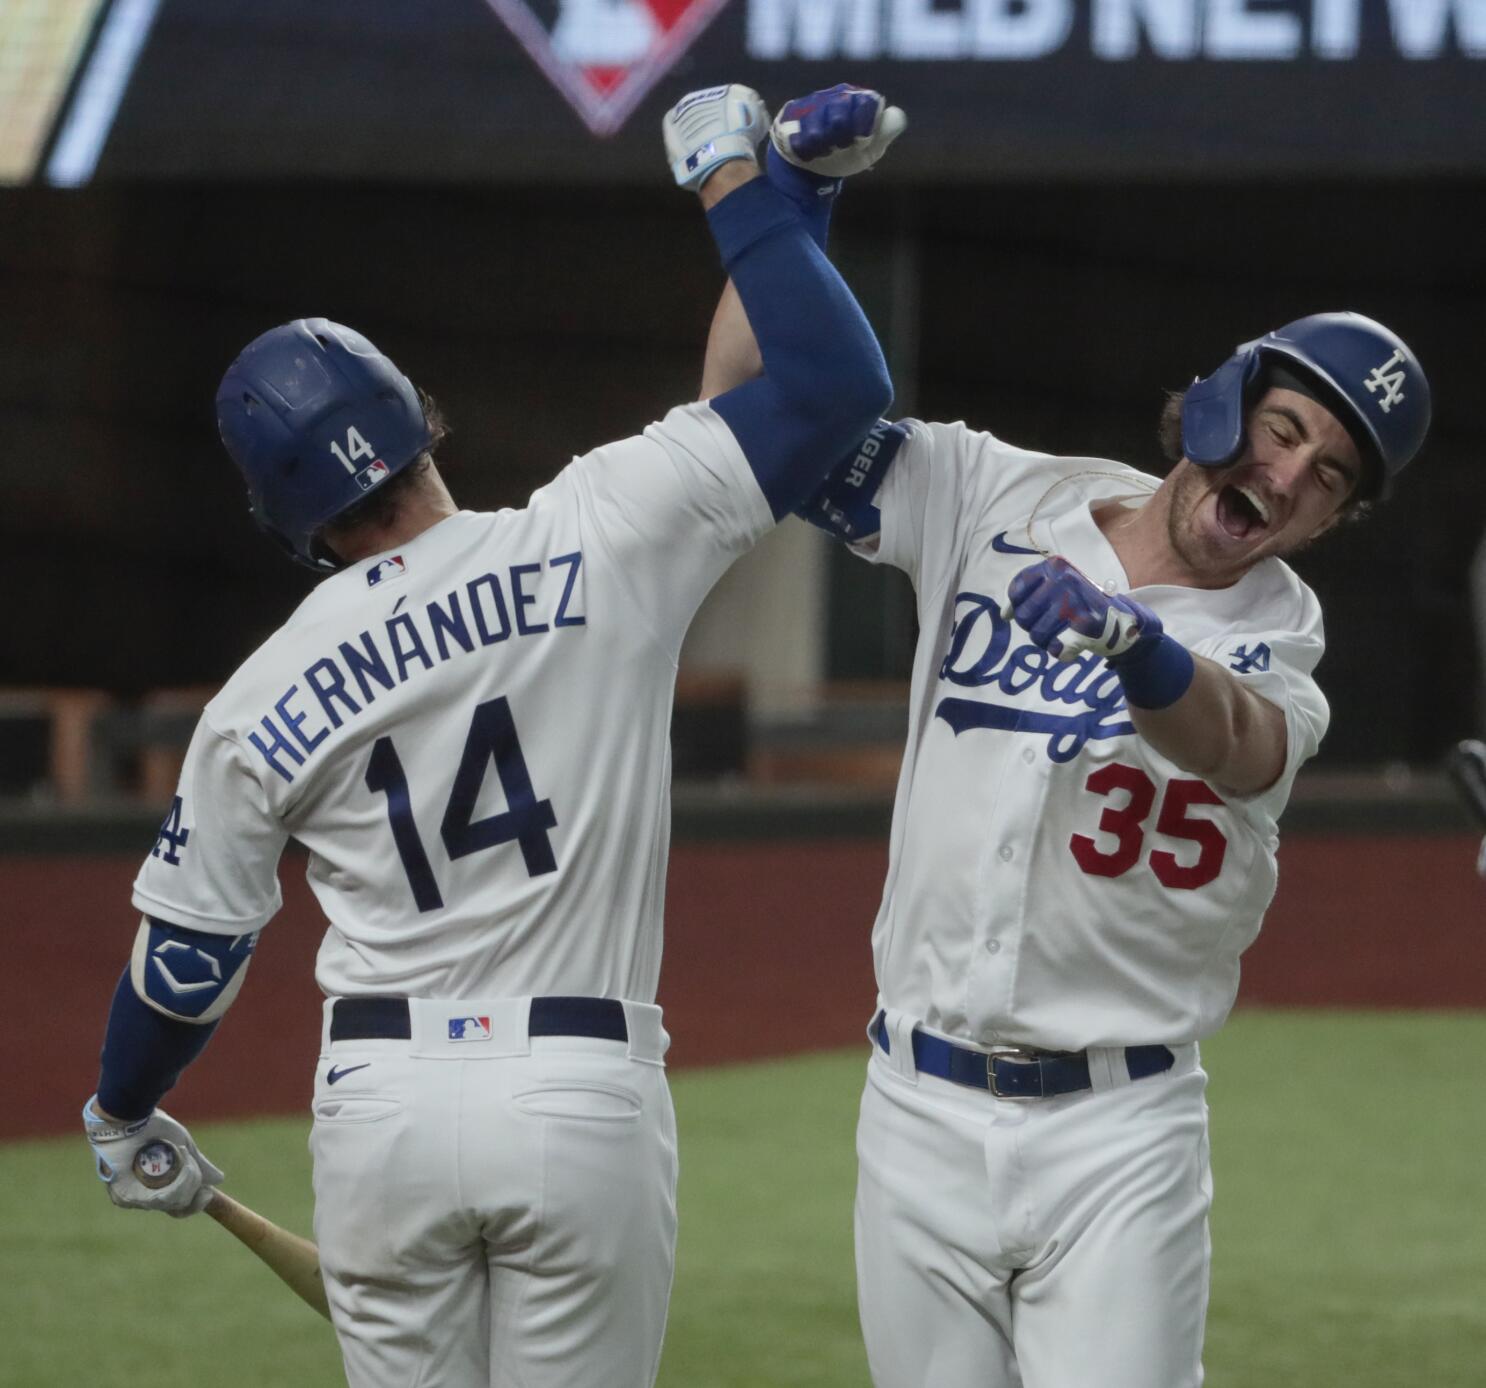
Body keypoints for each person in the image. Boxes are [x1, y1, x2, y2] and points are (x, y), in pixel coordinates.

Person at [80, 84, 895, 1388]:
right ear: (417, 412)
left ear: (284, 518)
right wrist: (760, 193)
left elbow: (185, 966)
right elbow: (829, 383)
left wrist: (123, 1108)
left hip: (381, 1110)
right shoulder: (599, 526)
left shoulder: (255, 695)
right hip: (578, 1091)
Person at [705, 108, 1431, 1387]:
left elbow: (1236, 740)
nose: (1289, 470)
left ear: (1324, 524)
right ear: (1223, 396)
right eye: (1282, 425)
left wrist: (1132, 642)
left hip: (1119, 1130)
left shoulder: (1282, 640)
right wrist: (786, 206)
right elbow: (744, 424)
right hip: (916, 1106)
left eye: (1325, 474)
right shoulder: (995, 492)